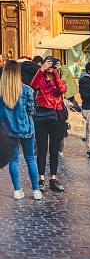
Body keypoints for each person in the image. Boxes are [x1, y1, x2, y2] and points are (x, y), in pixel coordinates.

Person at [2, 61, 42, 200]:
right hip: (26, 128)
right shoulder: (27, 90)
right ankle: (36, 190)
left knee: (13, 160)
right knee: (30, 159)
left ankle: (17, 190)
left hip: (8, 131)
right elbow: (31, 110)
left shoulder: (1, 91)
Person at [28, 58, 68, 194]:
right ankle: (41, 179)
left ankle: (53, 178)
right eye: (48, 63)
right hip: (42, 117)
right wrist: (41, 70)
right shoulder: (40, 79)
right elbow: (33, 85)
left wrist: (55, 73)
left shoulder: (60, 79)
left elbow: (62, 89)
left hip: (57, 118)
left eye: (52, 64)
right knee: (42, 149)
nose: (50, 66)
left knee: (54, 149)